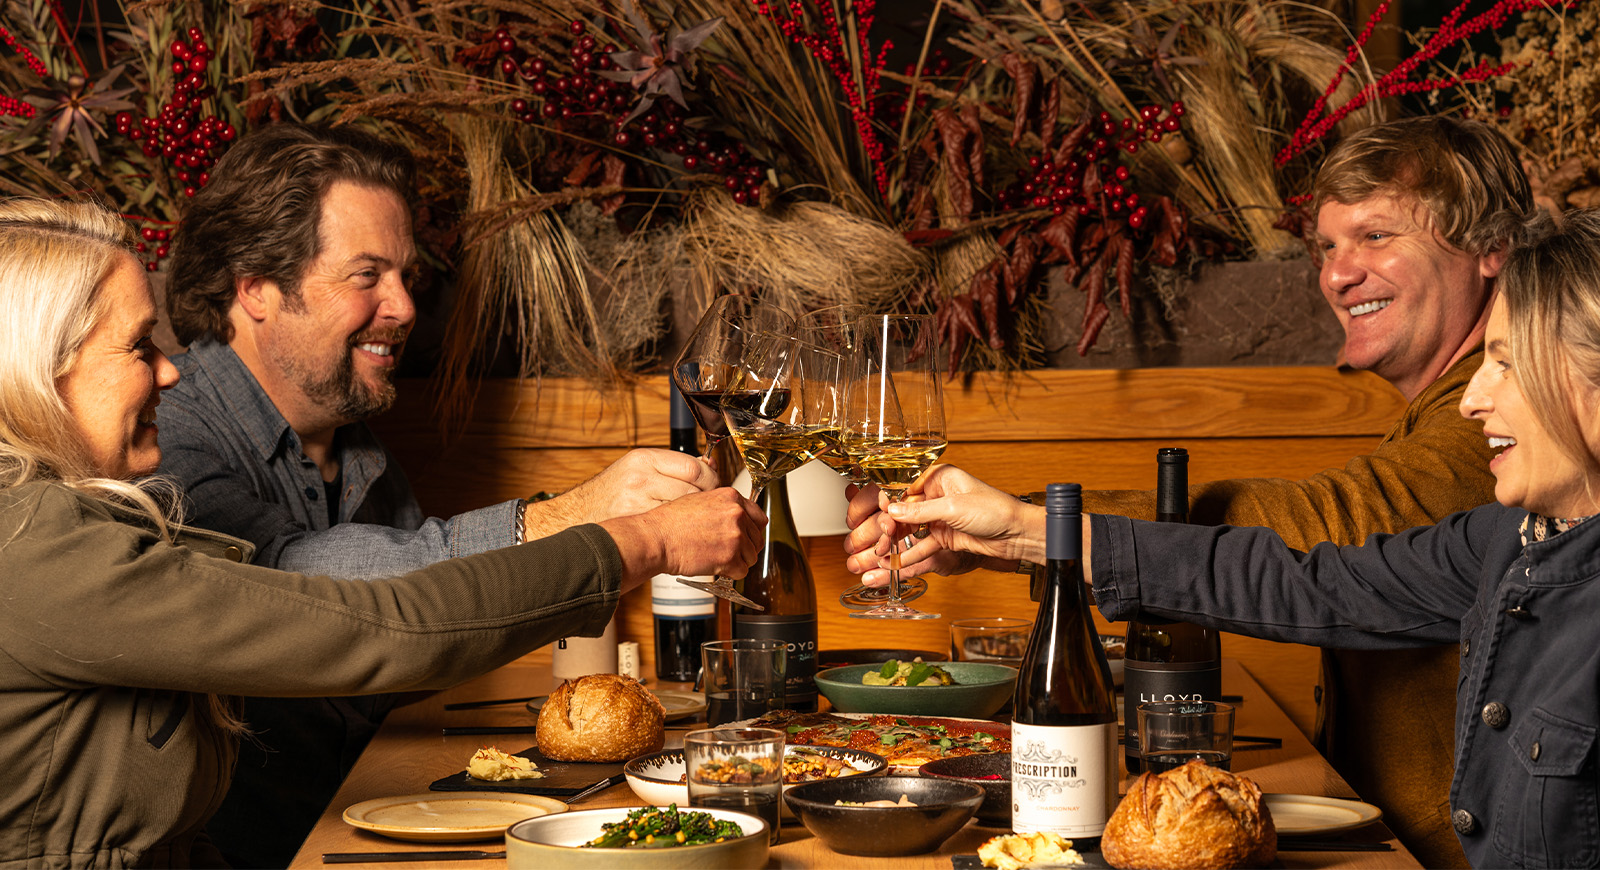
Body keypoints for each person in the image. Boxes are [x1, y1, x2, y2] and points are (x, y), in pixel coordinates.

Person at [846, 115, 1550, 868]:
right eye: (1328, 246)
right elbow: (1310, 571)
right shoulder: (1440, 416)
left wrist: (1026, 528)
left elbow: (1328, 538)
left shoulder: (1510, 429)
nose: (1338, 274)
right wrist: (1012, 533)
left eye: (1376, 237)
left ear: (1489, 252)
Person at [0, 196, 761, 868]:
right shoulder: (33, 539)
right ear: (39, 369)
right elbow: (370, 623)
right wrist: (640, 542)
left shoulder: (348, 445)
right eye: (138, 346)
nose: (168, 372)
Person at [154, 122, 724, 866]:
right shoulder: (165, 432)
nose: (402, 306)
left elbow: (438, 625)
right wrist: (585, 516)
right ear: (255, 287)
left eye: (405, 276)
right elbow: (291, 582)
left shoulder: (358, 449)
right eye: (367, 276)